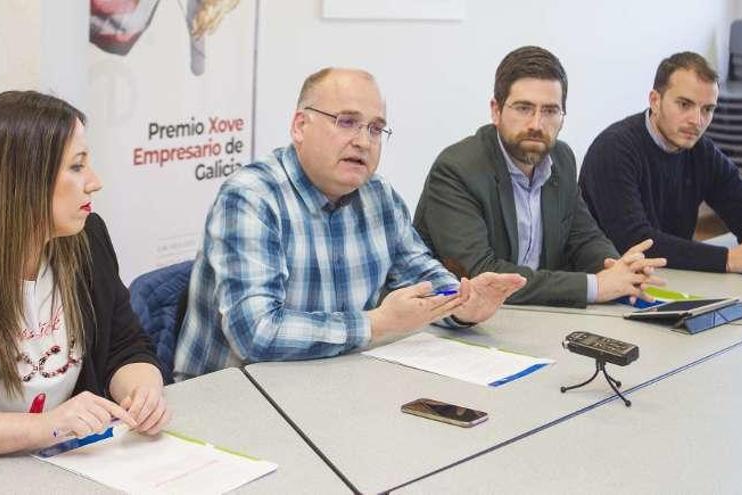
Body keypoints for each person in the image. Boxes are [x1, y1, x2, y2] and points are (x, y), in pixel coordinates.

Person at [174, 68, 527, 378]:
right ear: (300, 126)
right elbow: (256, 333)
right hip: (235, 398)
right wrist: (377, 323)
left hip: (336, 381)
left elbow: (424, 277)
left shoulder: (379, 196)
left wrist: (462, 304)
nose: (363, 141)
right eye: (346, 122)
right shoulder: (251, 198)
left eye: (375, 129)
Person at [0, 91, 171, 460]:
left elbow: (126, 347)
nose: (94, 181)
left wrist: (143, 392)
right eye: (76, 166)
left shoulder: (87, 238)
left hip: (70, 464)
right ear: (22, 178)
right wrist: (48, 426)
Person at [414, 46, 666, 308]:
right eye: (524, 108)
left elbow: (584, 238)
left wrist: (619, 270)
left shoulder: (562, 159)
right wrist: (595, 286)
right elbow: (481, 274)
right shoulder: (457, 169)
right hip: (459, 322)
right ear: (496, 111)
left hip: (537, 314)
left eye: (549, 111)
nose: (536, 124)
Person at [580, 51, 742, 273]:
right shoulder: (613, 149)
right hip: (611, 284)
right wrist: (727, 259)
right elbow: (635, 241)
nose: (697, 120)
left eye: (707, 109)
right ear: (655, 101)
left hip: (676, 277)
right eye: (685, 105)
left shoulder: (702, 151)